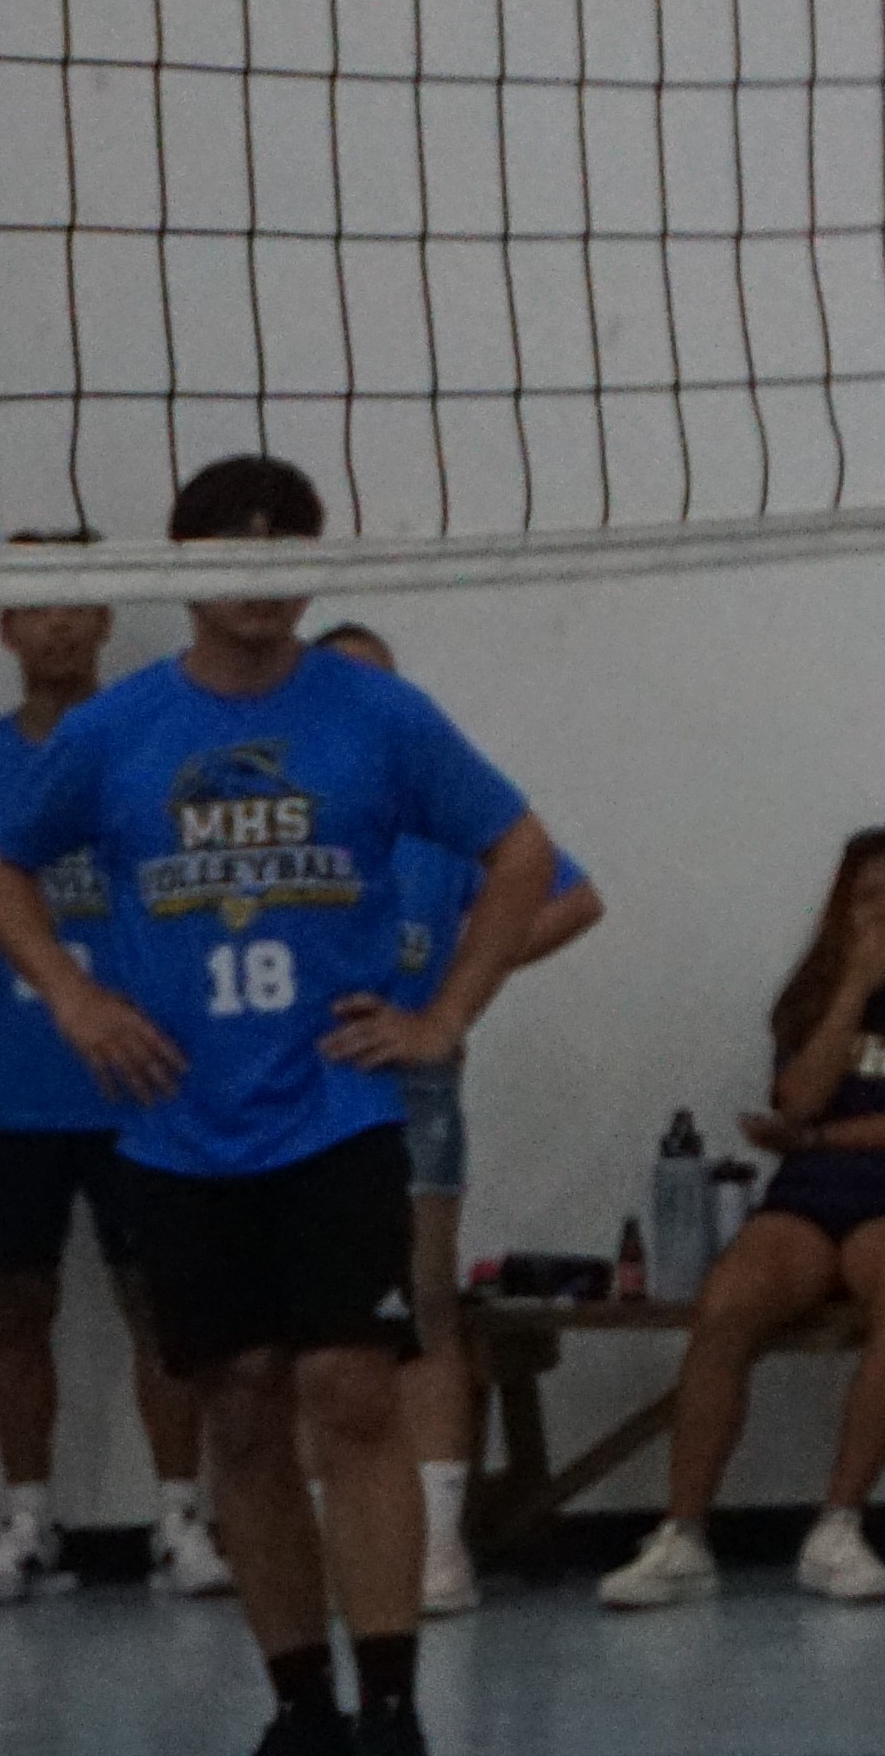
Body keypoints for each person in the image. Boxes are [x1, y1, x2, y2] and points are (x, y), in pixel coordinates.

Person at [0, 455, 560, 1756]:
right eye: (232, 555)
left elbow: (522, 853)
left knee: (351, 1385)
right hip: (179, 1123)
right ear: (185, 569)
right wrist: (71, 996)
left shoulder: (376, 716)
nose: (260, 582)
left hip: (338, 1112)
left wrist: (445, 1012)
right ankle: (302, 1704)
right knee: (237, 1397)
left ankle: (393, 1701)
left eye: (283, 550)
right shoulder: (118, 731)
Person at [0, 532, 229, 1605]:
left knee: (163, 1303)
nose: (54, 623)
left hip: (141, 1078)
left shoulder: (153, 748)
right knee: (18, 1304)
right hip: (11, 1091)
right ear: (5, 625)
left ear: (103, 620)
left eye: (74, 604)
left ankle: (180, 1520)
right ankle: (28, 1523)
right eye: (33, 606)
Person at [594, 827, 885, 1611]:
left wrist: (816, 1139)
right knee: (727, 1302)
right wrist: (852, 989)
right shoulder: (810, 997)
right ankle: (682, 1536)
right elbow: (797, 1098)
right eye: (867, 896)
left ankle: (838, 1525)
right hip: (807, 1202)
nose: (884, 913)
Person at [313, 624, 602, 1619]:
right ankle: (335, 1535)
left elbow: (571, 899)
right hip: (290, 1084)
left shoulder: (436, 810)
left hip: (408, 1084)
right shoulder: (284, 807)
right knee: (309, 1324)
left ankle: (439, 1544)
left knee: (424, 1305)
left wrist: (450, 998)